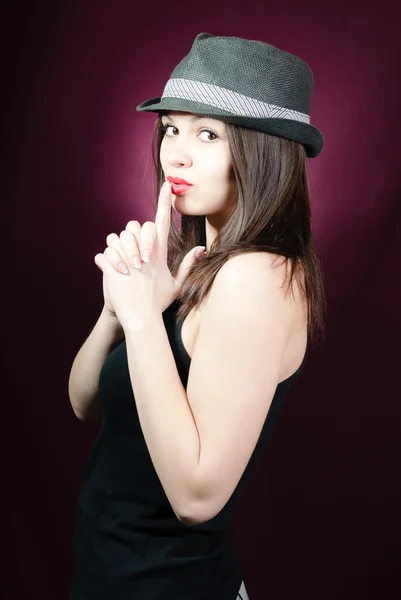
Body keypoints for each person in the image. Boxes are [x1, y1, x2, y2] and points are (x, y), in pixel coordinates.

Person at [68, 32, 326, 600]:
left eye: (208, 134)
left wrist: (141, 323)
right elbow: (84, 402)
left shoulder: (257, 278)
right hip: (108, 579)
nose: (174, 154)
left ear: (263, 150)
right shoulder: (193, 266)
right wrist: (120, 309)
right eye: (171, 129)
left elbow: (197, 498)